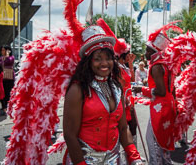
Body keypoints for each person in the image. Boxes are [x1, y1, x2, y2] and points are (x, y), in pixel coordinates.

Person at [63, 25, 143, 165]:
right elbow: (70, 136)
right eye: (98, 58)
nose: (104, 63)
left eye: (108, 58)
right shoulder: (78, 89)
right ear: (88, 62)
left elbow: (123, 128)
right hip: (84, 160)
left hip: (114, 160)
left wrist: (134, 157)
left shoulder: (117, 88)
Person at [132, 32, 176, 164]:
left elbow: (161, 91)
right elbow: (170, 89)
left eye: (147, 50)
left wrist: (142, 90)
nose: (145, 53)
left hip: (160, 108)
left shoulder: (156, 66)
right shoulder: (165, 64)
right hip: (167, 106)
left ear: (154, 51)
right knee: (163, 141)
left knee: (153, 141)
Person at [116, 42, 138, 146]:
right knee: (125, 128)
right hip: (122, 102)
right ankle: (128, 154)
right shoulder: (116, 67)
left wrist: (130, 64)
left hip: (129, 100)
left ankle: (134, 151)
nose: (130, 56)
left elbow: (132, 79)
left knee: (133, 125)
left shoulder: (124, 66)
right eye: (128, 54)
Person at [0, 45, 15, 110]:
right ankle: (4, 106)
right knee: (3, 92)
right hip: (2, 76)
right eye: (1, 50)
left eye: (3, 50)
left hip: (9, 76)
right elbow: (1, 64)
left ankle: (8, 106)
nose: (2, 51)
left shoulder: (11, 57)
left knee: (8, 91)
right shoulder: (1, 58)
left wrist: (7, 55)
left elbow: (9, 61)